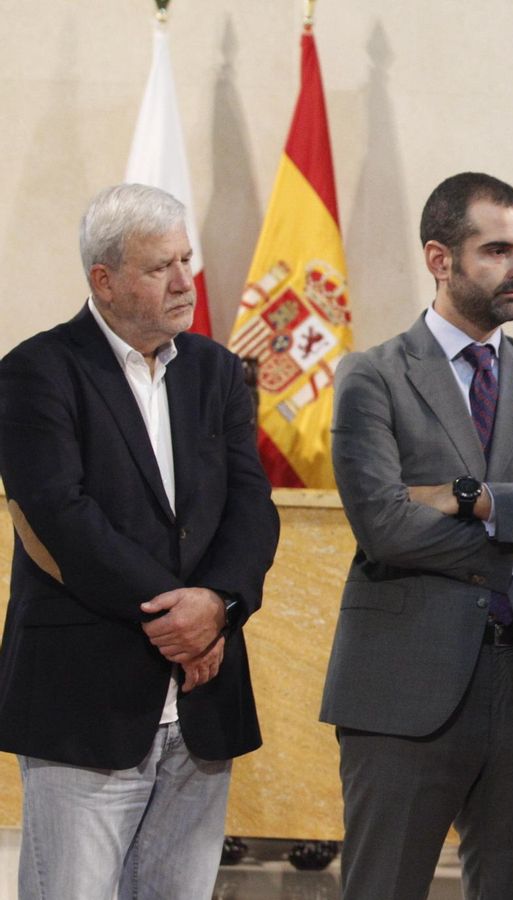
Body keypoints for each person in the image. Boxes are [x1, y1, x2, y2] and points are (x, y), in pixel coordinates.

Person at [320, 171, 513, 900]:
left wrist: (477, 501)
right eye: (496, 250)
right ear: (439, 258)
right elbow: (386, 526)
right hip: (403, 687)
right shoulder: (374, 378)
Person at [0, 183, 281, 899]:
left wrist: (218, 605)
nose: (187, 281)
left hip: (203, 700)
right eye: (162, 267)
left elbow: (251, 504)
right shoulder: (38, 371)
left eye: (186, 259)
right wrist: (179, 616)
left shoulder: (216, 372)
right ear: (105, 280)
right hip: (86, 700)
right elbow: (62, 516)